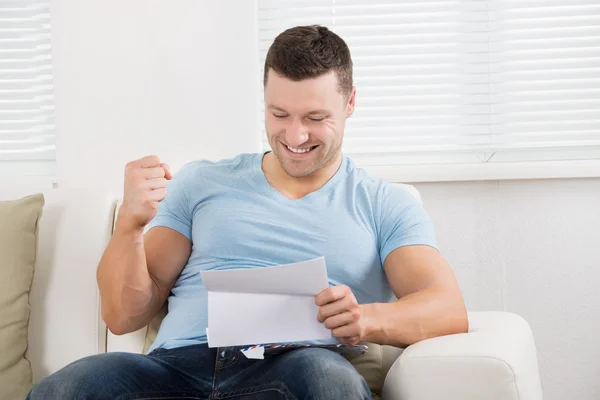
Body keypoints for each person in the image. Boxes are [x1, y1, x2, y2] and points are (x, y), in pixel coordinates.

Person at [28, 25, 468, 400]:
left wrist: (367, 319)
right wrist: (129, 225)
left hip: (295, 367)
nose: (295, 135)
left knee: (329, 380)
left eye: (316, 117)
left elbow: (448, 307)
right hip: (178, 367)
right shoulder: (200, 182)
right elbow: (123, 316)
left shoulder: (383, 203)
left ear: (350, 103)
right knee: (71, 386)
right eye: (280, 114)